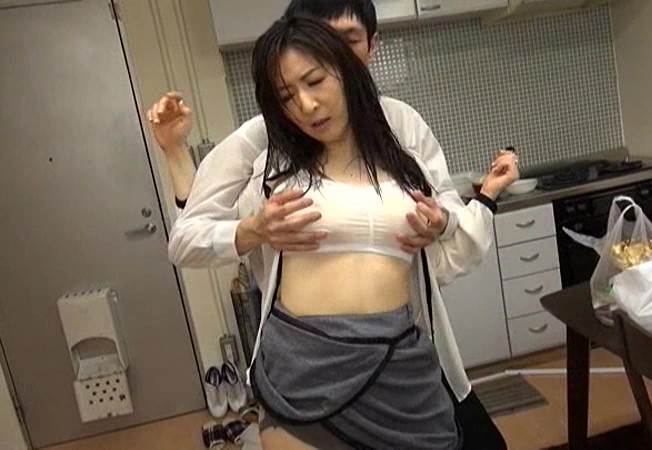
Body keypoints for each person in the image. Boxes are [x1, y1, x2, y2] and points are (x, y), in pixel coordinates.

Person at [229, 16, 518, 449]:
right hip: (303, 365)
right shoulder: (274, 172)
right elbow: (209, 229)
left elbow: (448, 249)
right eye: (287, 95)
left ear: (351, 62)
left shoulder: (405, 157)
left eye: (315, 80)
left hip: (400, 357)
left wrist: (462, 211)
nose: (307, 104)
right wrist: (248, 224)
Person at [148, 0, 461, 260]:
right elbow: (189, 234)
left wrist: (442, 221)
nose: (336, 55)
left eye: (348, 41)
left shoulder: (401, 122)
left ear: (371, 45)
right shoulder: (262, 139)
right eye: (319, 44)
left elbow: (449, 208)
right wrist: (254, 229)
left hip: (404, 311)